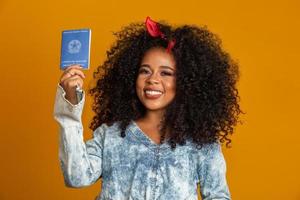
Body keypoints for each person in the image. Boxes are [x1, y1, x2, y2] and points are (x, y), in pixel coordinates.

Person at [54, 16, 242, 200]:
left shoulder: (202, 144)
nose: (153, 79)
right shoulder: (110, 136)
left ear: (186, 82)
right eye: (145, 71)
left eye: (166, 73)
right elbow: (77, 177)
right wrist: (70, 105)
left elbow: (218, 195)